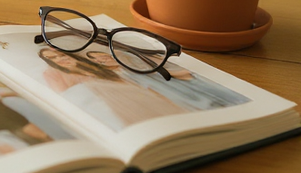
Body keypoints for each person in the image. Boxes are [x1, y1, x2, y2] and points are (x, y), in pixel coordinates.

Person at [37, 48, 184, 130]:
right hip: (108, 102)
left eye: (61, 55)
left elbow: (122, 80)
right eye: (53, 58)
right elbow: (66, 96)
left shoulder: (92, 67)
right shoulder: (52, 73)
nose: (59, 59)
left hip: (132, 94)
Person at [83, 50, 249, 111]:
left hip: (174, 83)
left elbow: (158, 72)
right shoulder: (117, 76)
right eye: (100, 61)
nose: (105, 60)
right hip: (162, 94)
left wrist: (181, 74)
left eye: (104, 57)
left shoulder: (131, 65)